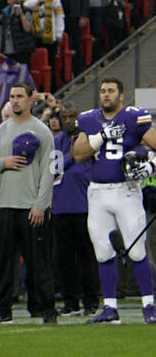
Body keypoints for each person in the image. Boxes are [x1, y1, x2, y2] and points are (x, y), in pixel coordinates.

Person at [72, 75, 156, 323]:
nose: (106, 94)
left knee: (137, 250)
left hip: (126, 190)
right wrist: (101, 136)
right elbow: (78, 155)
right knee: (102, 251)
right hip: (97, 192)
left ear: (121, 95)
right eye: (103, 91)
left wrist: (151, 167)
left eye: (111, 91)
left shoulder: (134, 117)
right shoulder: (89, 120)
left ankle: (149, 305)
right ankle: (110, 308)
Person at [0, 81, 57, 325]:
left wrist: (40, 204)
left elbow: (50, 171)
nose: (15, 101)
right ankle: (1, 310)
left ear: (30, 99)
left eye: (19, 96)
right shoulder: (1, 131)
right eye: (12, 96)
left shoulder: (42, 131)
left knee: (38, 262)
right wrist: (6, 162)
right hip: (3, 206)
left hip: (30, 206)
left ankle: (47, 309)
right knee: (2, 263)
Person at [52, 103, 99, 317]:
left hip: (84, 206)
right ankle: (70, 301)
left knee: (87, 257)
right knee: (65, 259)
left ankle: (91, 300)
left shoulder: (88, 140)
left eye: (72, 116)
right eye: (65, 117)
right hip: (61, 207)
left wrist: (71, 155)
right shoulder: (57, 141)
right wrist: (72, 155)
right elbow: (55, 167)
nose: (69, 120)